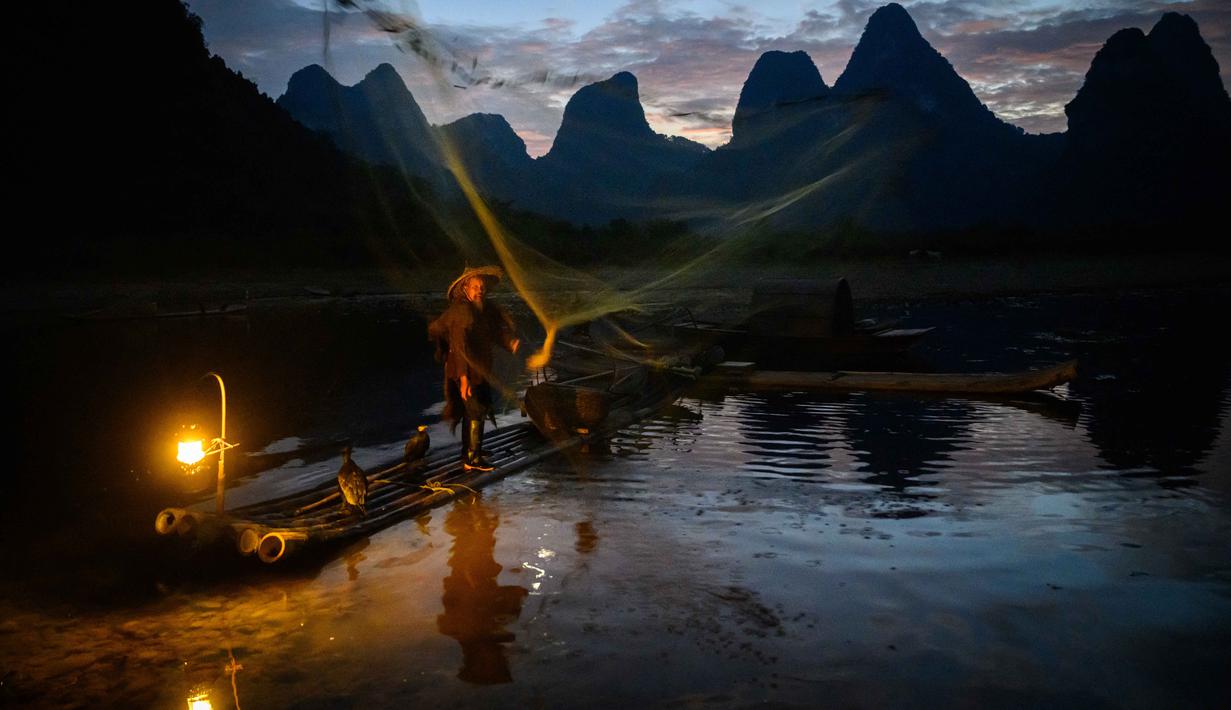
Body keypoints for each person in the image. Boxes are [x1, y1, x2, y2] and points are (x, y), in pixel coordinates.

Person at [428, 265, 520, 471]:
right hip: (463, 369)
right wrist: (463, 380)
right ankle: (472, 458)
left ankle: (470, 450)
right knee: (474, 409)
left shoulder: (481, 309)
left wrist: (508, 342)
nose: (480, 289)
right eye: (475, 286)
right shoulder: (462, 312)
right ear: (466, 289)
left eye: (482, 286)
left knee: (476, 409)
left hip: (478, 368)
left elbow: (491, 332)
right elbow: (459, 347)